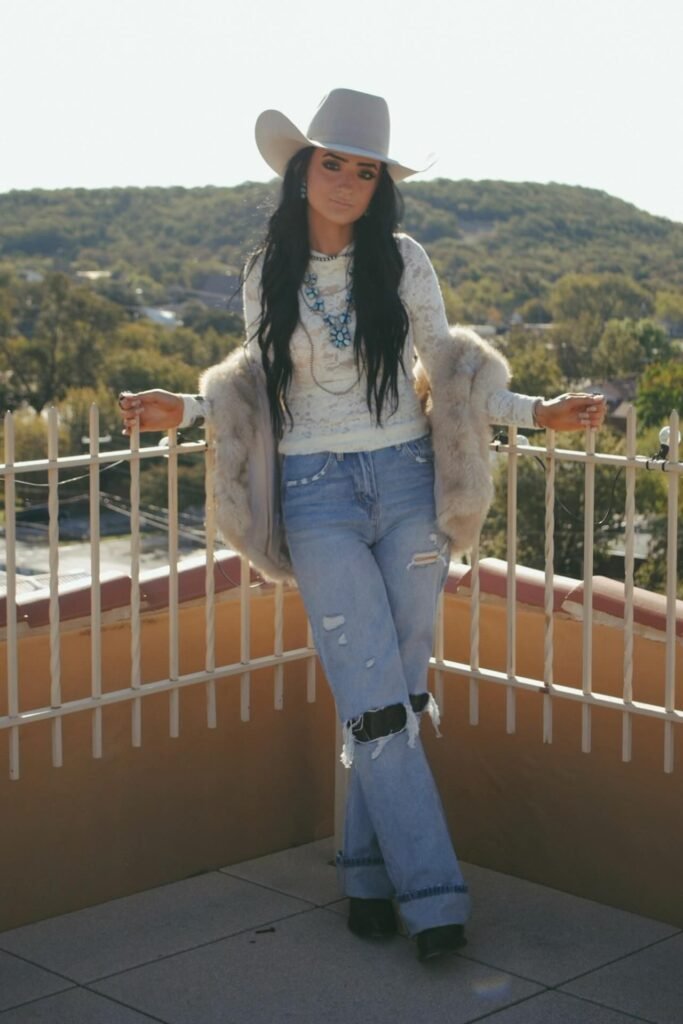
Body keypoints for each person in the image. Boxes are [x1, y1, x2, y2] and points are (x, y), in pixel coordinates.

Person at [119, 88, 606, 961]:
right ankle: (433, 894)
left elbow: (449, 368)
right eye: (332, 161)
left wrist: (536, 411)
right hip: (315, 493)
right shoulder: (267, 266)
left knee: (393, 690)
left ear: (380, 183)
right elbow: (257, 389)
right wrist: (187, 411)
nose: (346, 180)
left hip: (408, 481)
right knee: (376, 696)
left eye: (364, 168)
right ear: (302, 168)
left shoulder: (403, 260)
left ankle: (362, 872)